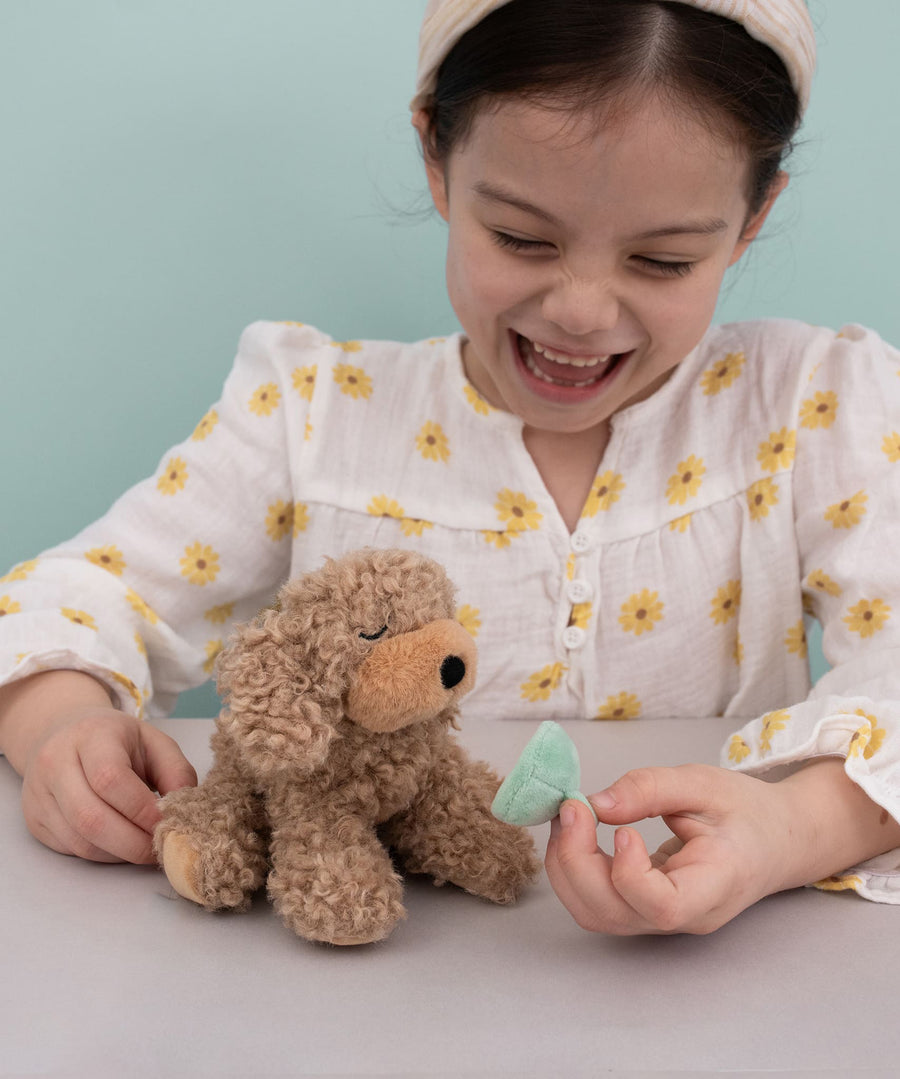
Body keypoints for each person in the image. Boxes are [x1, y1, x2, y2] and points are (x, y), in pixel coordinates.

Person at [1, 0, 899, 934]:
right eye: (522, 238)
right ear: (436, 154)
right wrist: (59, 729)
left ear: (756, 215)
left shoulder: (813, 403)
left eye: (663, 259)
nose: (583, 311)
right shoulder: (313, 413)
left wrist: (790, 827)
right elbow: (75, 596)